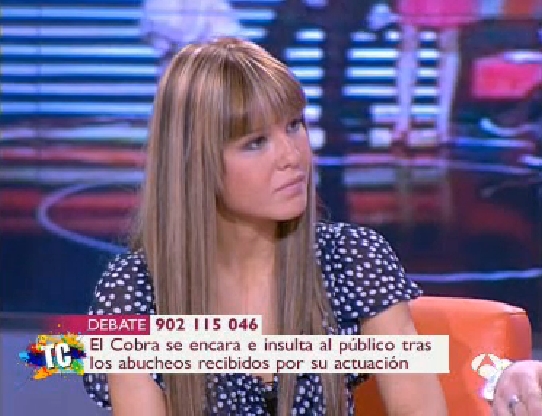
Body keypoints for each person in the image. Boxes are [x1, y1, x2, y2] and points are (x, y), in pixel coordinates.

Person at [82, 37, 447, 415]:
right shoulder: (133, 291)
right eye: (256, 142)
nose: (292, 156)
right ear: (195, 163)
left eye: (294, 125)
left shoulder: (353, 259)